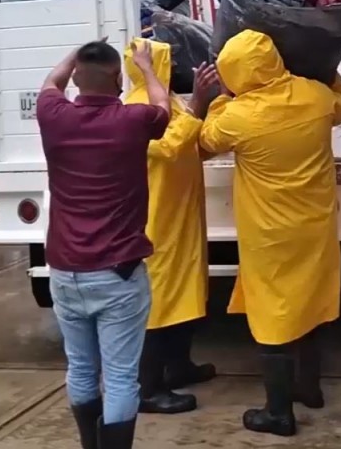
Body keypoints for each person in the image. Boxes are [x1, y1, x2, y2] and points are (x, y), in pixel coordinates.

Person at [199, 30, 341, 437]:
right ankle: (310, 388)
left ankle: (278, 412)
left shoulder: (237, 117)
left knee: (274, 316)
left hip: (269, 235)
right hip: (315, 226)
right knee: (311, 304)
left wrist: (218, 99)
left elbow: (202, 142)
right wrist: (325, 70)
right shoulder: (315, 97)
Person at [36, 40, 170, 449]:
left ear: (76, 77)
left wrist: (74, 54)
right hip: (117, 273)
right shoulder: (133, 120)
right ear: (117, 79)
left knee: (80, 368)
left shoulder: (53, 115)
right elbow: (163, 106)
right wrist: (146, 68)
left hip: (63, 269)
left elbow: (50, 82)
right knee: (120, 377)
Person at [121, 39, 220, 415]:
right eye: (168, 58)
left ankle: (179, 367)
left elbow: (191, 142)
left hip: (181, 216)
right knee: (158, 302)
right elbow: (167, 144)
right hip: (156, 222)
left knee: (187, 291)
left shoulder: (167, 99)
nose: (175, 63)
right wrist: (198, 103)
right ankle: (148, 389)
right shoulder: (136, 106)